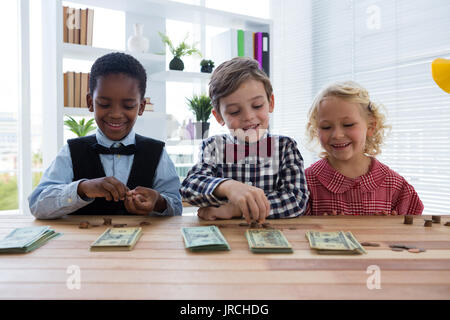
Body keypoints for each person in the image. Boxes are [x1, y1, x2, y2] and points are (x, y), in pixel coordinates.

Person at [29, 52, 182, 219]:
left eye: (129, 106)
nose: (116, 114)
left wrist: (158, 202)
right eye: (104, 104)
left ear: (141, 107)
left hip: (142, 244)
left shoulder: (157, 152)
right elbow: (37, 204)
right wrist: (82, 189)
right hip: (82, 244)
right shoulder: (71, 152)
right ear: (90, 103)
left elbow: (176, 206)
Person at [180, 57, 309, 223]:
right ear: (219, 117)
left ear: (270, 103)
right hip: (225, 239)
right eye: (234, 112)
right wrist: (227, 187)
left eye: (257, 106)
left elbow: (296, 200)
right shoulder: (214, 147)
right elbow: (189, 187)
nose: (248, 117)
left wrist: (236, 209)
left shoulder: (285, 147)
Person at [304, 80, 423, 215]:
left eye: (348, 124)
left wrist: (389, 228)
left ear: (370, 127)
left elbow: (413, 228)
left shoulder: (395, 185)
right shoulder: (304, 184)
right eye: (326, 127)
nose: (337, 135)